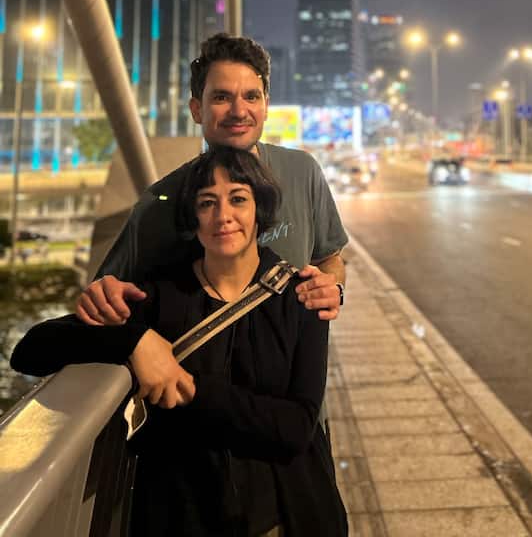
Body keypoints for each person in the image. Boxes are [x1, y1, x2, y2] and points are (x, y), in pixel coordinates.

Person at [12, 146, 348, 537]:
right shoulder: (160, 296)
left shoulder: (302, 296)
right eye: (207, 203)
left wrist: (187, 388)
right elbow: (31, 350)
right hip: (183, 518)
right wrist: (135, 341)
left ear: (260, 209)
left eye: (238, 199)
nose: (223, 216)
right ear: (193, 217)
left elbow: (296, 427)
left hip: (283, 517)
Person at [76, 34, 348, 397]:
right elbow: (109, 295)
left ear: (266, 105)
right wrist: (104, 299)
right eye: (221, 97)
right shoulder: (158, 203)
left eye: (251, 96)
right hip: (194, 408)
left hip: (294, 409)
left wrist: (332, 287)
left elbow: (330, 258)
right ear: (196, 110)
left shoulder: (302, 172)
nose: (239, 111)